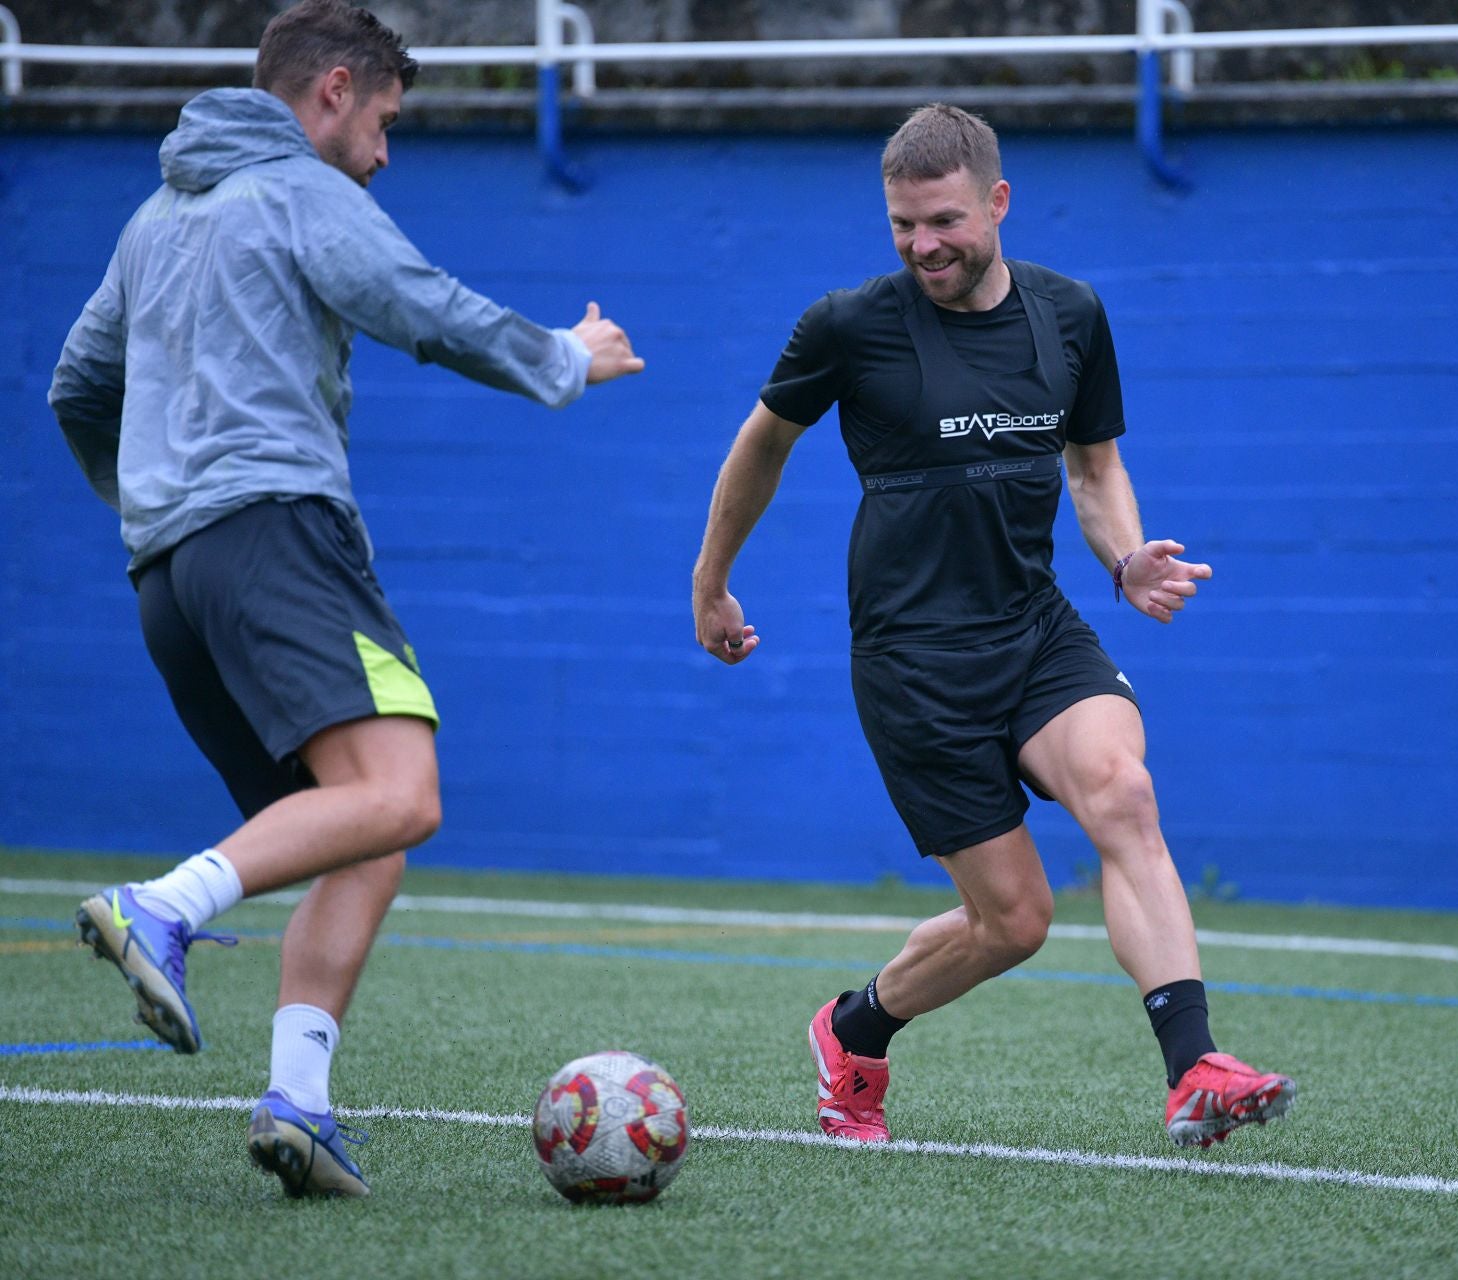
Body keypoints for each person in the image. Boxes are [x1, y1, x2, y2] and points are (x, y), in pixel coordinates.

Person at [48, 0, 646, 1199]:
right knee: (401, 790)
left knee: (356, 832)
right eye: (382, 122)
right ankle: (160, 906)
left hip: (170, 580)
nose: (383, 153)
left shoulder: (154, 216)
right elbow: (416, 303)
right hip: (276, 540)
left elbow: (77, 383)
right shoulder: (301, 191)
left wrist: (156, 499)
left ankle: (298, 1105)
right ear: (331, 89)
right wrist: (564, 359)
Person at [691, 103, 1293, 1150]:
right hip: (913, 663)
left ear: (998, 203)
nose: (924, 245)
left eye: (945, 221)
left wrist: (1124, 556)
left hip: (1035, 627)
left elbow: (1095, 465)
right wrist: (712, 584)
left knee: (1125, 791)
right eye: (902, 225)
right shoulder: (848, 324)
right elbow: (761, 446)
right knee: (1014, 921)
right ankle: (852, 1030)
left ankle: (1195, 1064)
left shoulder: (1071, 314)